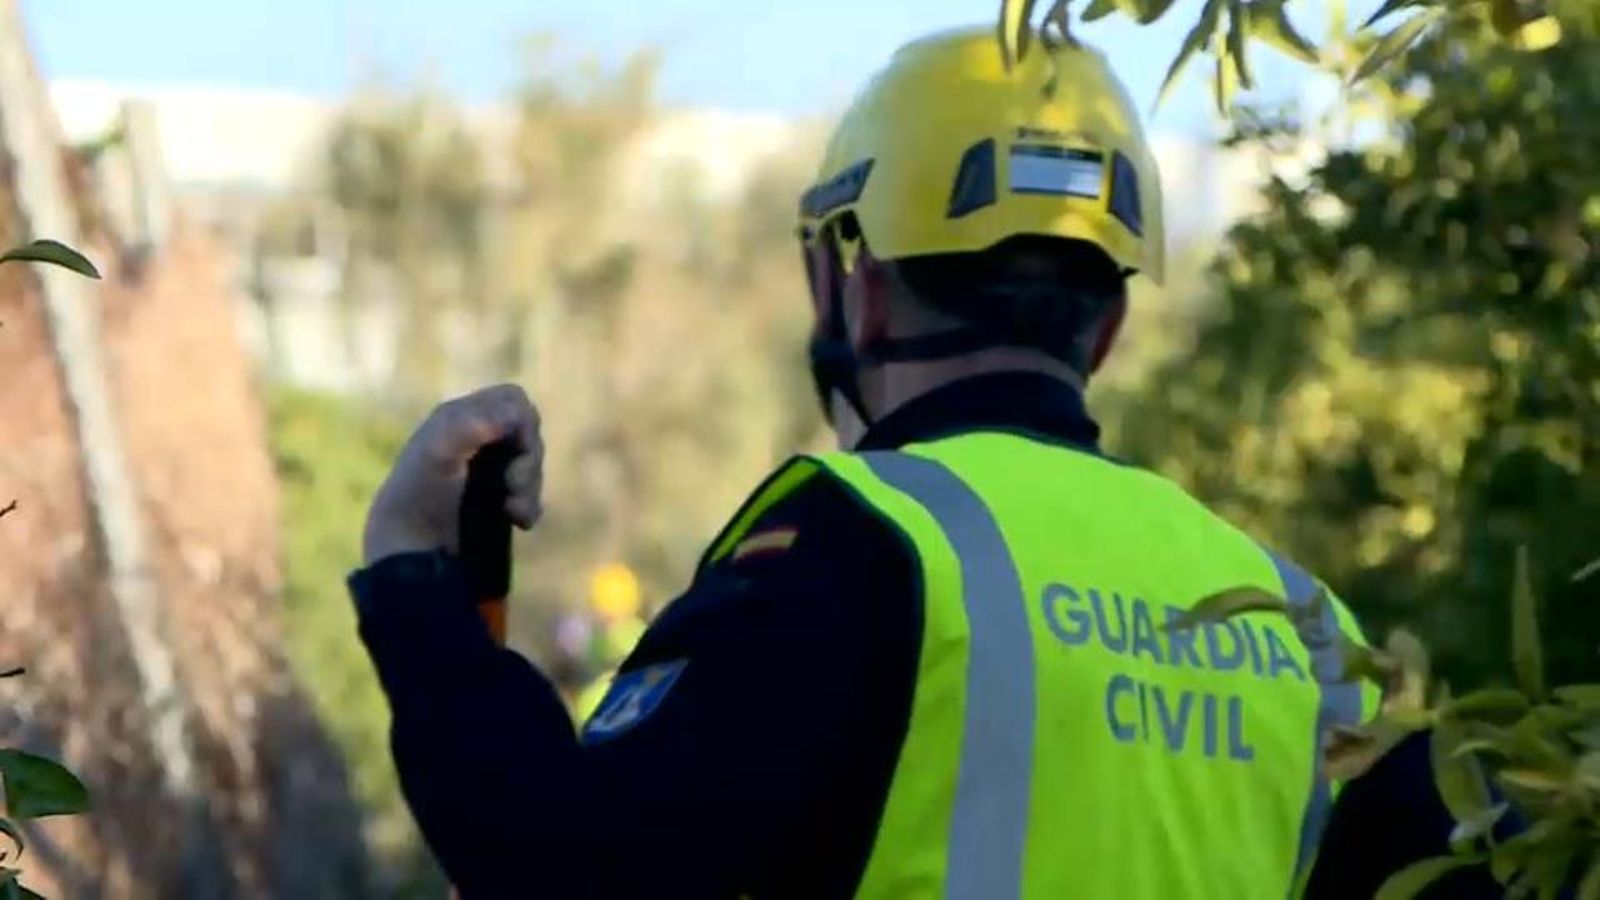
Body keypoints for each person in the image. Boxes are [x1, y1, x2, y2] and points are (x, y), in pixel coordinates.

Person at [350, 25, 1509, 899]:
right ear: (1104, 327)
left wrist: (415, 580)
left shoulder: (859, 546)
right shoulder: (1310, 635)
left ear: (856, 287)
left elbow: (564, 863)